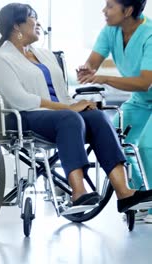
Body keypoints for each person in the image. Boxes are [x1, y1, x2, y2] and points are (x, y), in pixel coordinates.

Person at [0, 2, 152, 213]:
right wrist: (68, 108)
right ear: (16, 25)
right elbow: (19, 99)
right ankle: (78, 193)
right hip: (25, 115)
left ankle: (124, 193)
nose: (38, 22)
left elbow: (63, 92)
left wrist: (77, 105)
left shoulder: (44, 55)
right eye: (32, 17)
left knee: (97, 116)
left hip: (59, 114)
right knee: (69, 118)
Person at [77, 0, 152, 222]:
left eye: (110, 6)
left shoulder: (149, 35)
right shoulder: (110, 31)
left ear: (128, 11)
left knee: (147, 146)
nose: (104, 11)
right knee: (114, 141)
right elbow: (92, 63)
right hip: (140, 101)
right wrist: (87, 69)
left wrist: (104, 77)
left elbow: (144, 82)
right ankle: (140, 199)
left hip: (143, 90)